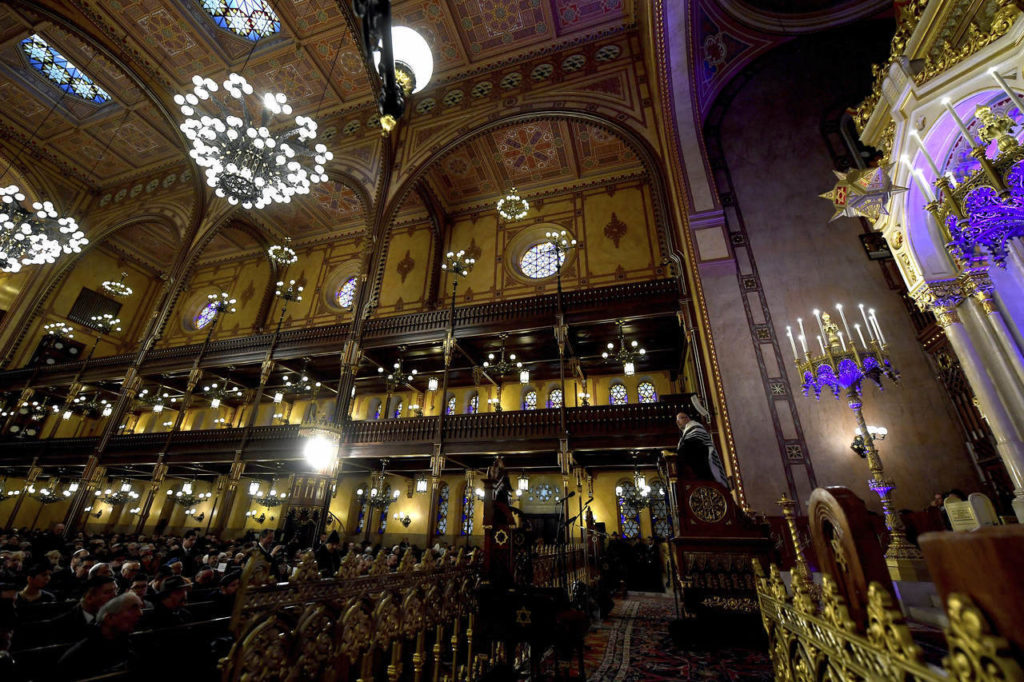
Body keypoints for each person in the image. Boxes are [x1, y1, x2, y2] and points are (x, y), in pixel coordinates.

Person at [55, 593, 144, 680]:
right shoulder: (78, 658)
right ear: (109, 618)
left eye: (140, 608)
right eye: (133, 609)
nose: (140, 613)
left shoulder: (131, 645)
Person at [46, 575, 117, 644]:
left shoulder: (118, 617)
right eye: (108, 592)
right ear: (89, 598)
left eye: (115, 590)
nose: (115, 596)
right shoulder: (61, 625)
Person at [676, 398, 730, 489]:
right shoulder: (684, 433)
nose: (680, 421)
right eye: (679, 419)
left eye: (683, 417)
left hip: (703, 458)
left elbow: (695, 441)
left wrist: (680, 451)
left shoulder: (694, 425)